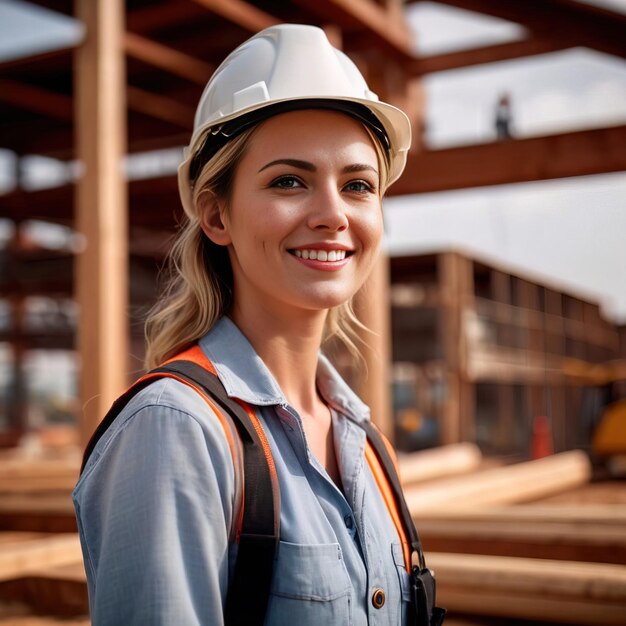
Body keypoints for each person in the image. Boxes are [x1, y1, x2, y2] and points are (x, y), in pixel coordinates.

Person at [73, 24, 428, 625]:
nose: (332, 214)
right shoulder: (178, 432)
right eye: (289, 181)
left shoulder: (367, 446)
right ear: (216, 215)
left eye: (358, 186)